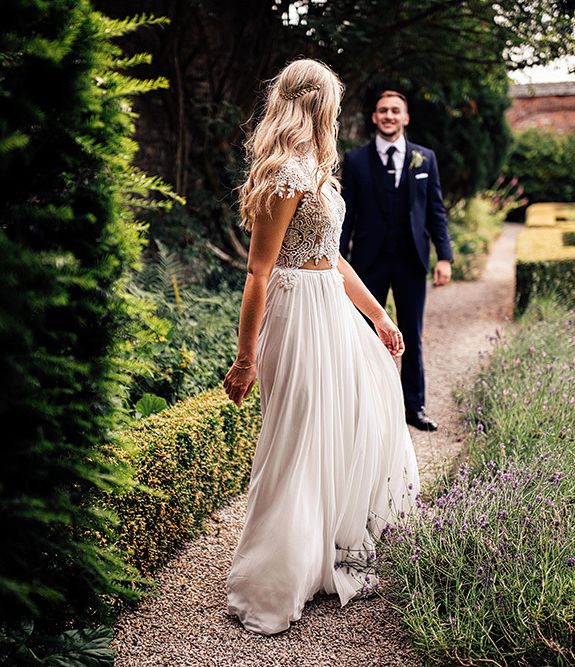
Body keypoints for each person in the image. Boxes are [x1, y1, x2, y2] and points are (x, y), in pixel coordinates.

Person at [222, 59, 420, 636]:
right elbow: (259, 273)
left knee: (353, 419)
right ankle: (273, 581)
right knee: (300, 442)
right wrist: (246, 356)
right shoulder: (284, 171)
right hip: (295, 315)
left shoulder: (316, 169)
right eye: (333, 102)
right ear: (315, 103)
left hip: (330, 308)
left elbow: (330, 256)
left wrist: (379, 314)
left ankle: (321, 554)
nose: (338, 112)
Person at [339, 90, 453, 432]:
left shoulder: (425, 158)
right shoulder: (356, 160)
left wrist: (444, 256)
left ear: (405, 118)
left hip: (411, 260)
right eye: (382, 111)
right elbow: (346, 215)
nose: (389, 115)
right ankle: (368, 409)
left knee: (411, 335)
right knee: (367, 333)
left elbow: (436, 211)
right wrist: (336, 260)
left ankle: (414, 408)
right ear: (374, 118)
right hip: (367, 262)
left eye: (395, 111)